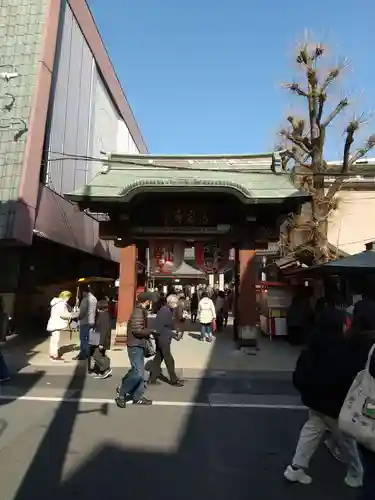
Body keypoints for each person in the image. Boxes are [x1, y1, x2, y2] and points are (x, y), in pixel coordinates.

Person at [284, 292, 363, 488]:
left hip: (314, 401)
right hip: (334, 406)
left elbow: (299, 374)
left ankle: (296, 468)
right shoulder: (342, 349)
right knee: (347, 441)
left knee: (311, 430)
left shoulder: (313, 345)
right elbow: (348, 379)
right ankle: (356, 474)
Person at [115, 291, 154, 408]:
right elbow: (137, 330)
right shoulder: (138, 312)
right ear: (146, 301)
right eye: (150, 301)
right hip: (134, 345)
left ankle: (137, 397)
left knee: (141, 373)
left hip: (139, 344)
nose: (151, 303)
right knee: (137, 373)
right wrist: (151, 332)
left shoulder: (141, 311)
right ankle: (121, 393)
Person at [149, 294, 184, 386]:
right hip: (163, 339)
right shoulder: (165, 312)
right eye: (175, 303)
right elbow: (160, 329)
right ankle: (173, 380)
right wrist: (173, 334)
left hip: (162, 338)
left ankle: (152, 378)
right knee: (169, 360)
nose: (176, 305)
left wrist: (174, 331)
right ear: (171, 303)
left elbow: (167, 326)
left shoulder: (166, 310)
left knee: (158, 359)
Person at [88, 298, 112, 379]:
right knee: (99, 354)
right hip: (99, 339)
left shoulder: (103, 316)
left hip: (101, 340)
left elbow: (104, 330)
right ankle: (100, 371)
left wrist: (101, 343)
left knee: (96, 355)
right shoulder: (105, 315)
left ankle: (106, 368)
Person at [46, 291, 74, 361]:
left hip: (53, 323)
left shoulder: (56, 303)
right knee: (55, 340)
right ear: (66, 297)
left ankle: (52, 354)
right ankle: (55, 356)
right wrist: (71, 315)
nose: (69, 299)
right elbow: (63, 314)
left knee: (53, 340)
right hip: (56, 324)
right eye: (69, 297)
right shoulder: (61, 304)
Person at [75, 284, 97, 360]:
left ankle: (83, 354)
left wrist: (77, 314)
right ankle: (90, 353)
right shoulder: (94, 298)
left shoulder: (85, 299)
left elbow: (82, 312)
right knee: (90, 338)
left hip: (85, 321)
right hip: (92, 321)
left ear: (84, 292)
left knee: (83, 339)